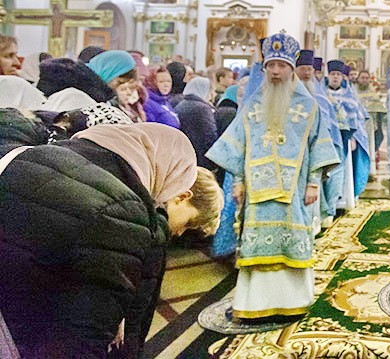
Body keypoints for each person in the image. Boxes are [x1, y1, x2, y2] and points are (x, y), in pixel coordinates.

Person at [0, 124, 223, 358]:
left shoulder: (31, 155)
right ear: (182, 195)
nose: (179, 233)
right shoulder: (125, 214)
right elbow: (84, 337)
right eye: (188, 224)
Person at [206, 32, 339, 321]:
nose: (276, 71)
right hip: (257, 190)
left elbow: (319, 146)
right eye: (271, 66)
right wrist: (238, 181)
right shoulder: (253, 104)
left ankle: (293, 302)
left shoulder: (309, 106)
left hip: (295, 189)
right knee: (256, 245)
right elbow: (238, 145)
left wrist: (313, 182)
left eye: (281, 66)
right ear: (264, 68)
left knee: (291, 242)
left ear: (291, 69)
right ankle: (255, 304)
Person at [294, 49, 344, 229]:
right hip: (294, 148)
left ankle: (319, 218)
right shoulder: (288, 91)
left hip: (316, 146)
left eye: (310, 69)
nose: (307, 73)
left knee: (316, 182)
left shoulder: (320, 94)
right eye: (303, 69)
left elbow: (329, 120)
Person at [324, 59, 371, 209]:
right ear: (328, 76)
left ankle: (340, 202)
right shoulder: (321, 94)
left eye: (338, 74)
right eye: (332, 74)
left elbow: (357, 120)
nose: (335, 77)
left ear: (342, 76)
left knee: (342, 170)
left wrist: (353, 138)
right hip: (326, 139)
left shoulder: (349, 96)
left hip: (344, 140)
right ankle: (327, 204)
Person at [175, 76, 218, 170]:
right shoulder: (203, 108)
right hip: (201, 157)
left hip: (187, 154)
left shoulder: (181, 104)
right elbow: (210, 134)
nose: (214, 95)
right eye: (212, 91)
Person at [355, 69, 386, 171]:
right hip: (356, 127)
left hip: (370, 126)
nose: (364, 80)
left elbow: (379, 111)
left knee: (369, 148)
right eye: (362, 78)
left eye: (366, 78)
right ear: (358, 79)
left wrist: (378, 127)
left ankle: (368, 171)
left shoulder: (373, 94)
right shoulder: (353, 92)